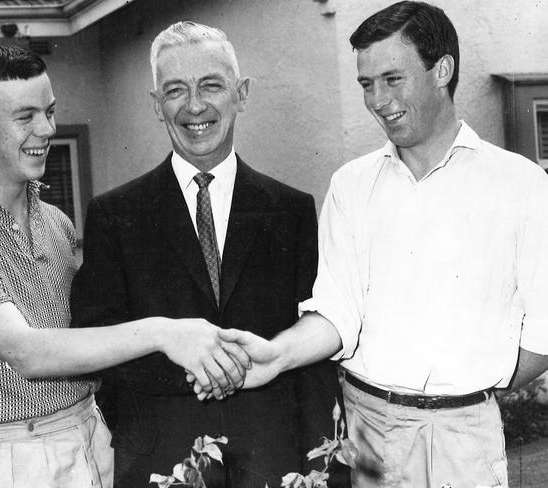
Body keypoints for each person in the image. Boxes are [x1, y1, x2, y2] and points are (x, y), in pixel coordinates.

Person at [210, 2, 548, 487]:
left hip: (466, 436)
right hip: (367, 430)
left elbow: (543, 328)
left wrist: (467, 394)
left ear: (442, 70)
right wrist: (276, 354)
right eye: (367, 84)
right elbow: (337, 312)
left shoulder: (521, 184)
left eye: (393, 79)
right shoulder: (351, 185)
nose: (378, 100)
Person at [0, 44, 250, 488]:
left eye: (49, 111)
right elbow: (28, 352)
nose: (46, 129)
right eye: (25, 117)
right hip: (13, 458)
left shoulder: (56, 222)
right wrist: (166, 332)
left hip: (93, 434)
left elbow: (91, 337)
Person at [70, 21, 347, 488]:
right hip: (160, 458)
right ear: (156, 105)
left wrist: (323, 468)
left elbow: (313, 347)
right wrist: (198, 374)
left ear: (242, 93)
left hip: (274, 459)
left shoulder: (292, 210)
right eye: (175, 90)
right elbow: (96, 341)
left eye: (211, 85)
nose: (194, 106)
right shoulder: (114, 215)